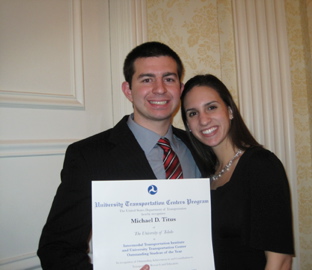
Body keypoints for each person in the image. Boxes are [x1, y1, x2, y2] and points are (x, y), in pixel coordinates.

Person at [37, 42, 206, 270]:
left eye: (169, 79)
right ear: (128, 90)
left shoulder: (201, 146)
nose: (159, 89)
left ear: (180, 88)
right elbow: (56, 249)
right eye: (146, 79)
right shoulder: (88, 156)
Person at [180, 74, 294, 269]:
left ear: (230, 111)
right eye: (193, 113)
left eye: (211, 107)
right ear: (188, 126)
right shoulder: (203, 176)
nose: (203, 120)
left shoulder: (261, 165)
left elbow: (280, 261)